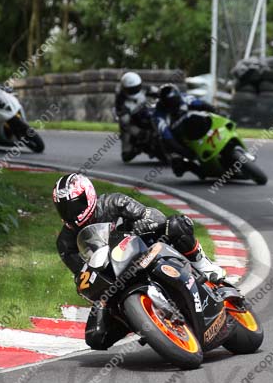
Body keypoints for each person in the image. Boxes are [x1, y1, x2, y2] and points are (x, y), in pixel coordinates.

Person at [53, 172, 224, 350]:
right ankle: (139, 321)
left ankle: (203, 265)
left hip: (144, 250)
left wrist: (144, 222)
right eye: (63, 209)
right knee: (96, 338)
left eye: (75, 206)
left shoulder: (114, 202)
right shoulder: (65, 243)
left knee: (176, 224)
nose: (71, 213)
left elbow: (153, 215)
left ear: (88, 195)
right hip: (113, 280)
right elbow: (83, 274)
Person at [153, 83, 215, 175]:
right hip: (178, 141)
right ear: (164, 103)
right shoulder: (159, 116)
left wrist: (215, 110)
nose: (174, 104)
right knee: (178, 168)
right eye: (170, 102)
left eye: (175, 100)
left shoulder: (185, 98)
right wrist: (183, 151)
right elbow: (167, 137)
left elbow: (203, 105)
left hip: (197, 128)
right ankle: (191, 166)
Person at [115, 71, 158, 162]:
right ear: (125, 88)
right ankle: (130, 148)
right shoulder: (121, 98)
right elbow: (122, 115)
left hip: (150, 112)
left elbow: (160, 92)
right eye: (130, 89)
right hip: (135, 119)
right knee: (124, 123)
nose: (133, 90)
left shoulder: (147, 88)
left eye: (135, 88)